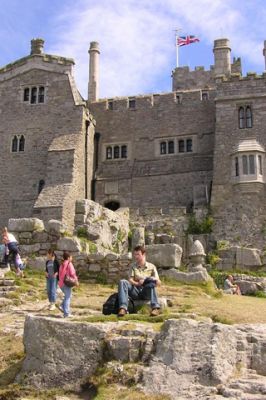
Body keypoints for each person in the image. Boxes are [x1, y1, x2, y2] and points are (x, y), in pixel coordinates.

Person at [117, 245, 161, 317]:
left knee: (151, 283)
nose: (136, 256)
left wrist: (149, 280)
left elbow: (158, 282)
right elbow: (130, 279)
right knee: (122, 282)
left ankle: (155, 308)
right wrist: (137, 283)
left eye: (138, 254)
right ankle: (123, 308)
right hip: (135, 291)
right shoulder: (133, 266)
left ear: (143, 254)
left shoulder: (152, 266)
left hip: (146, 291)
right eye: (135, 254)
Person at [58, 251, 78, 318]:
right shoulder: (69, 263)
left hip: (61, 283)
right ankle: (66, 313)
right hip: (66, 283)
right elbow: (73, 273)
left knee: (67, 296)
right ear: (69, 257)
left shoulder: (62, 264)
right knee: (68, 297)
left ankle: (62, 306)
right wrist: (76, 281)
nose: (72, 258)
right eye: (71, 257)